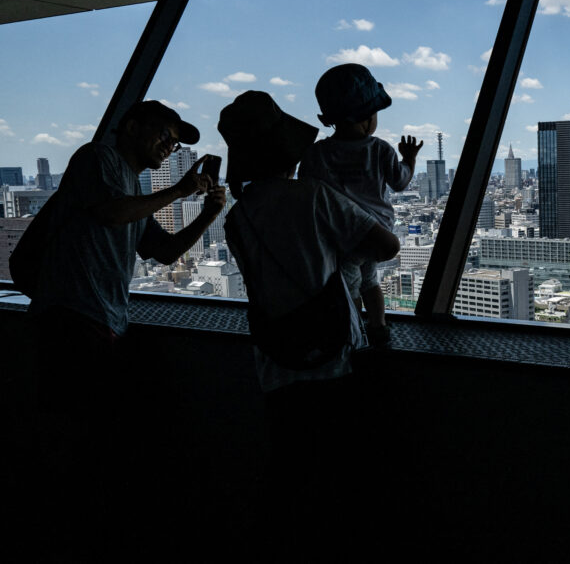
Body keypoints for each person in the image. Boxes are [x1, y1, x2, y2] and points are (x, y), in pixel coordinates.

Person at [28, 99, 226, 555]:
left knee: (89, 431)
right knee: (71, 429)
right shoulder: (96, 159)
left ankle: (78, 525)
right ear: (131, 125)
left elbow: (164, 252)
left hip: (101, 320)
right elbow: (110, 213)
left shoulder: (134, 187)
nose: (168, 145)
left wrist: (208, 215)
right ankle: (54, 528)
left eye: (175, 142)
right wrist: (178, 191)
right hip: (71, 314)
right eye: (164, 134)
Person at [218, 90, 399, 552]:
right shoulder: (314, 197)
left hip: (274, 357)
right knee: (339, 472)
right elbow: (387, 246)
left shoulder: (238, 218)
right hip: (332, 352)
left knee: (289, 468)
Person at [299, 63, 422, 347]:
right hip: (378, 232)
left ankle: (354, 333)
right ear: (367, 118)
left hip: (343, 235)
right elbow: (401, 182)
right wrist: (410, 159)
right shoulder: (380, 149)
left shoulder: (318, 153)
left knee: (349, 285)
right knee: (371, 281)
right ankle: (378, 326)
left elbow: (308, 188)